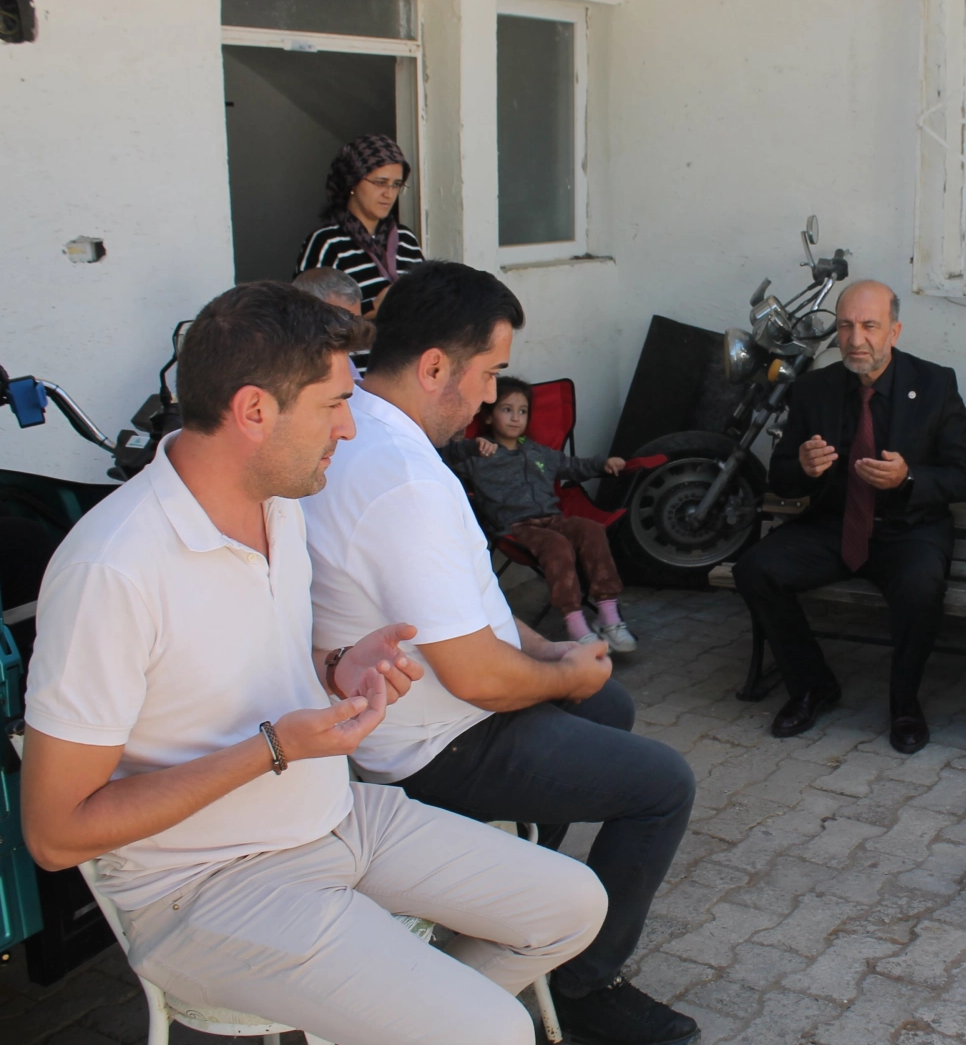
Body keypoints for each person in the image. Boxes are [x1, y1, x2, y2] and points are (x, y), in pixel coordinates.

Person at [20, 282, 607, 1045]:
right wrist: (274, 748)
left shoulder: (279, 505)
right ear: (254, 412)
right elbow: (57, 834)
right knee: (495, 1031)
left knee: (572, 906)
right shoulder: (112, 570)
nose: (350, 427)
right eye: (333, 405)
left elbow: (244, 652)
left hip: (334, 817)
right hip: (206, 885)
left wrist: (334, 665)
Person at [301, 261, 698, 1045]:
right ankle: (583, 984)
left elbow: (458, 601)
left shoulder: (362, 426)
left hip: (435, 707)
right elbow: (478, 677)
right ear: (434, 368)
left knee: (607, 702)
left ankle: (512, 894)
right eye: (489, 374)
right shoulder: (402, 476)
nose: (490, 398)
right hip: (428, 743)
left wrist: (550, 649)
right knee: (663, 784)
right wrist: (559, 673)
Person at [731, 280, 966, 753]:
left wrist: (908, 478)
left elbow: (965, 477)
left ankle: (904, 703)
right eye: (845, 326)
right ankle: (811, 685)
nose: (855, 339)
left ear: (894, 331)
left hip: (908, 530)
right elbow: (781, 477)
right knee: (755, 569)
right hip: (835, 525)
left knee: (920, 587)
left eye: (870, 326)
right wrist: (802, 468)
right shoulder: (813, 389)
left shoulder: (934, 384)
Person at [443, 375, 637, 651]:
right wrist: (469, 446)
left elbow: (573, 466)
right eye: (507, 409)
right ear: (488, 416)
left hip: (553, 519)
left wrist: (603, 464)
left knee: (591, 529)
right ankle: (575, 623)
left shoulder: (537, 451)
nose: (515, 418)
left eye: (522, 411)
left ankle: (607, 615)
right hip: (516, 527)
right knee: (556, 545)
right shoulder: (479, 454)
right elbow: (442, 455)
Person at [296, 134, 424, 319]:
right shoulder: (327, 243)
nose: (389, 194)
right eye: (380, 183)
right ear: (353, 182)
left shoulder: (405, 239)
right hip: (358, 340)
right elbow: (307, 317)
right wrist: (373, 308)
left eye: (396, 185)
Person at [292, 266, 374, 379]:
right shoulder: (281, 363)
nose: (351, 331)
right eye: (341, 322)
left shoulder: (342, 358)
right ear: (305, 314)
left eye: (357, 321)